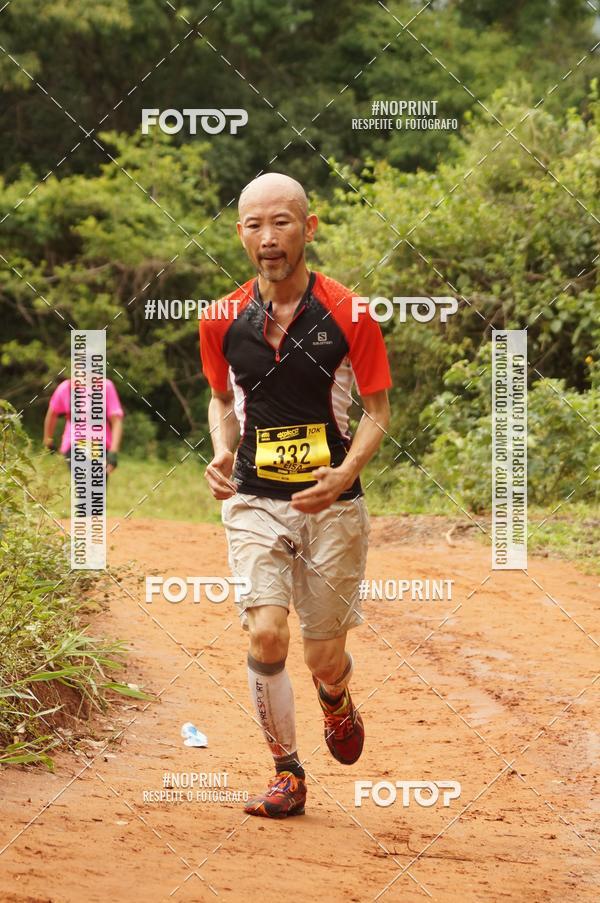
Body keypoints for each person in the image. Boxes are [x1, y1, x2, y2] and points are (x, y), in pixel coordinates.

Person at [199, 172, 391, 818]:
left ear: (308, 228)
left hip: (333, 505)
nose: (267, 237)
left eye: (281, 222)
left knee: (321, 652)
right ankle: (287, 771)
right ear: (240, 236)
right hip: (254, 499)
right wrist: (223, 449)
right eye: (254, 225)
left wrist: (344, 473)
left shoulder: (351, 314)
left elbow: (378, 412)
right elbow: (221, 399)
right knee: (266, 633)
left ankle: (335, 695)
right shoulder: (221, 318)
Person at [43, 377, 124, 476]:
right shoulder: (66, 387)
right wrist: (48, 439)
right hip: (74, 443)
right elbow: (52, 414)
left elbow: (116, 421)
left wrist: (113, 451)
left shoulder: (106, 386)